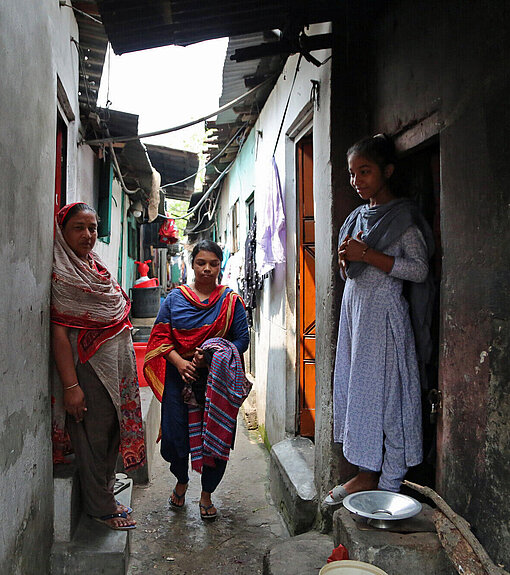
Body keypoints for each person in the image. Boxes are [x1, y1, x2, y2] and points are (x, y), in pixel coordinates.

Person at [324, 135, 434, 505]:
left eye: (365, 172)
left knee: (384, 396)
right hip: (356, 316)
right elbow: (349, 271)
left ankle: (384, 476)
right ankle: (365, 471)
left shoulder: (402, 219)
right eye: (352, 175)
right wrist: (347, 261)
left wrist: (368, 254)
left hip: (384, 318)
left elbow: (419, 270)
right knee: (358, 392)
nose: (357, 181)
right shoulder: (356, 218)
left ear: (387, 171)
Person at [51, 202, 145, 529]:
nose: (89, 235)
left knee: (109, 431)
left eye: (93, 228)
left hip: (113, 367)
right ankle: (99, 507)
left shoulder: (93, 265)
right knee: (92, 438)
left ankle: (104, 492)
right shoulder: (63, 272)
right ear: (63, 232)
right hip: (88, 371)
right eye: (79, 227)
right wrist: (71, 387)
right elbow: (59, 335)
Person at [144, 240, 249, 520]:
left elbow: (242, 339)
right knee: (174, 438)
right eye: (201, 262)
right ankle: (181, 480)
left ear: (220, 266)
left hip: (216, 382)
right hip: (179, 379)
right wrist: (181, 363)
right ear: (192, 264)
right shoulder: (175, 299)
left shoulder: (230, 301)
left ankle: (206, 495)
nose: (207, 269)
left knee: (217, 439)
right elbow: (161, 337)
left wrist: (213, 353)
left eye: (213, 263)